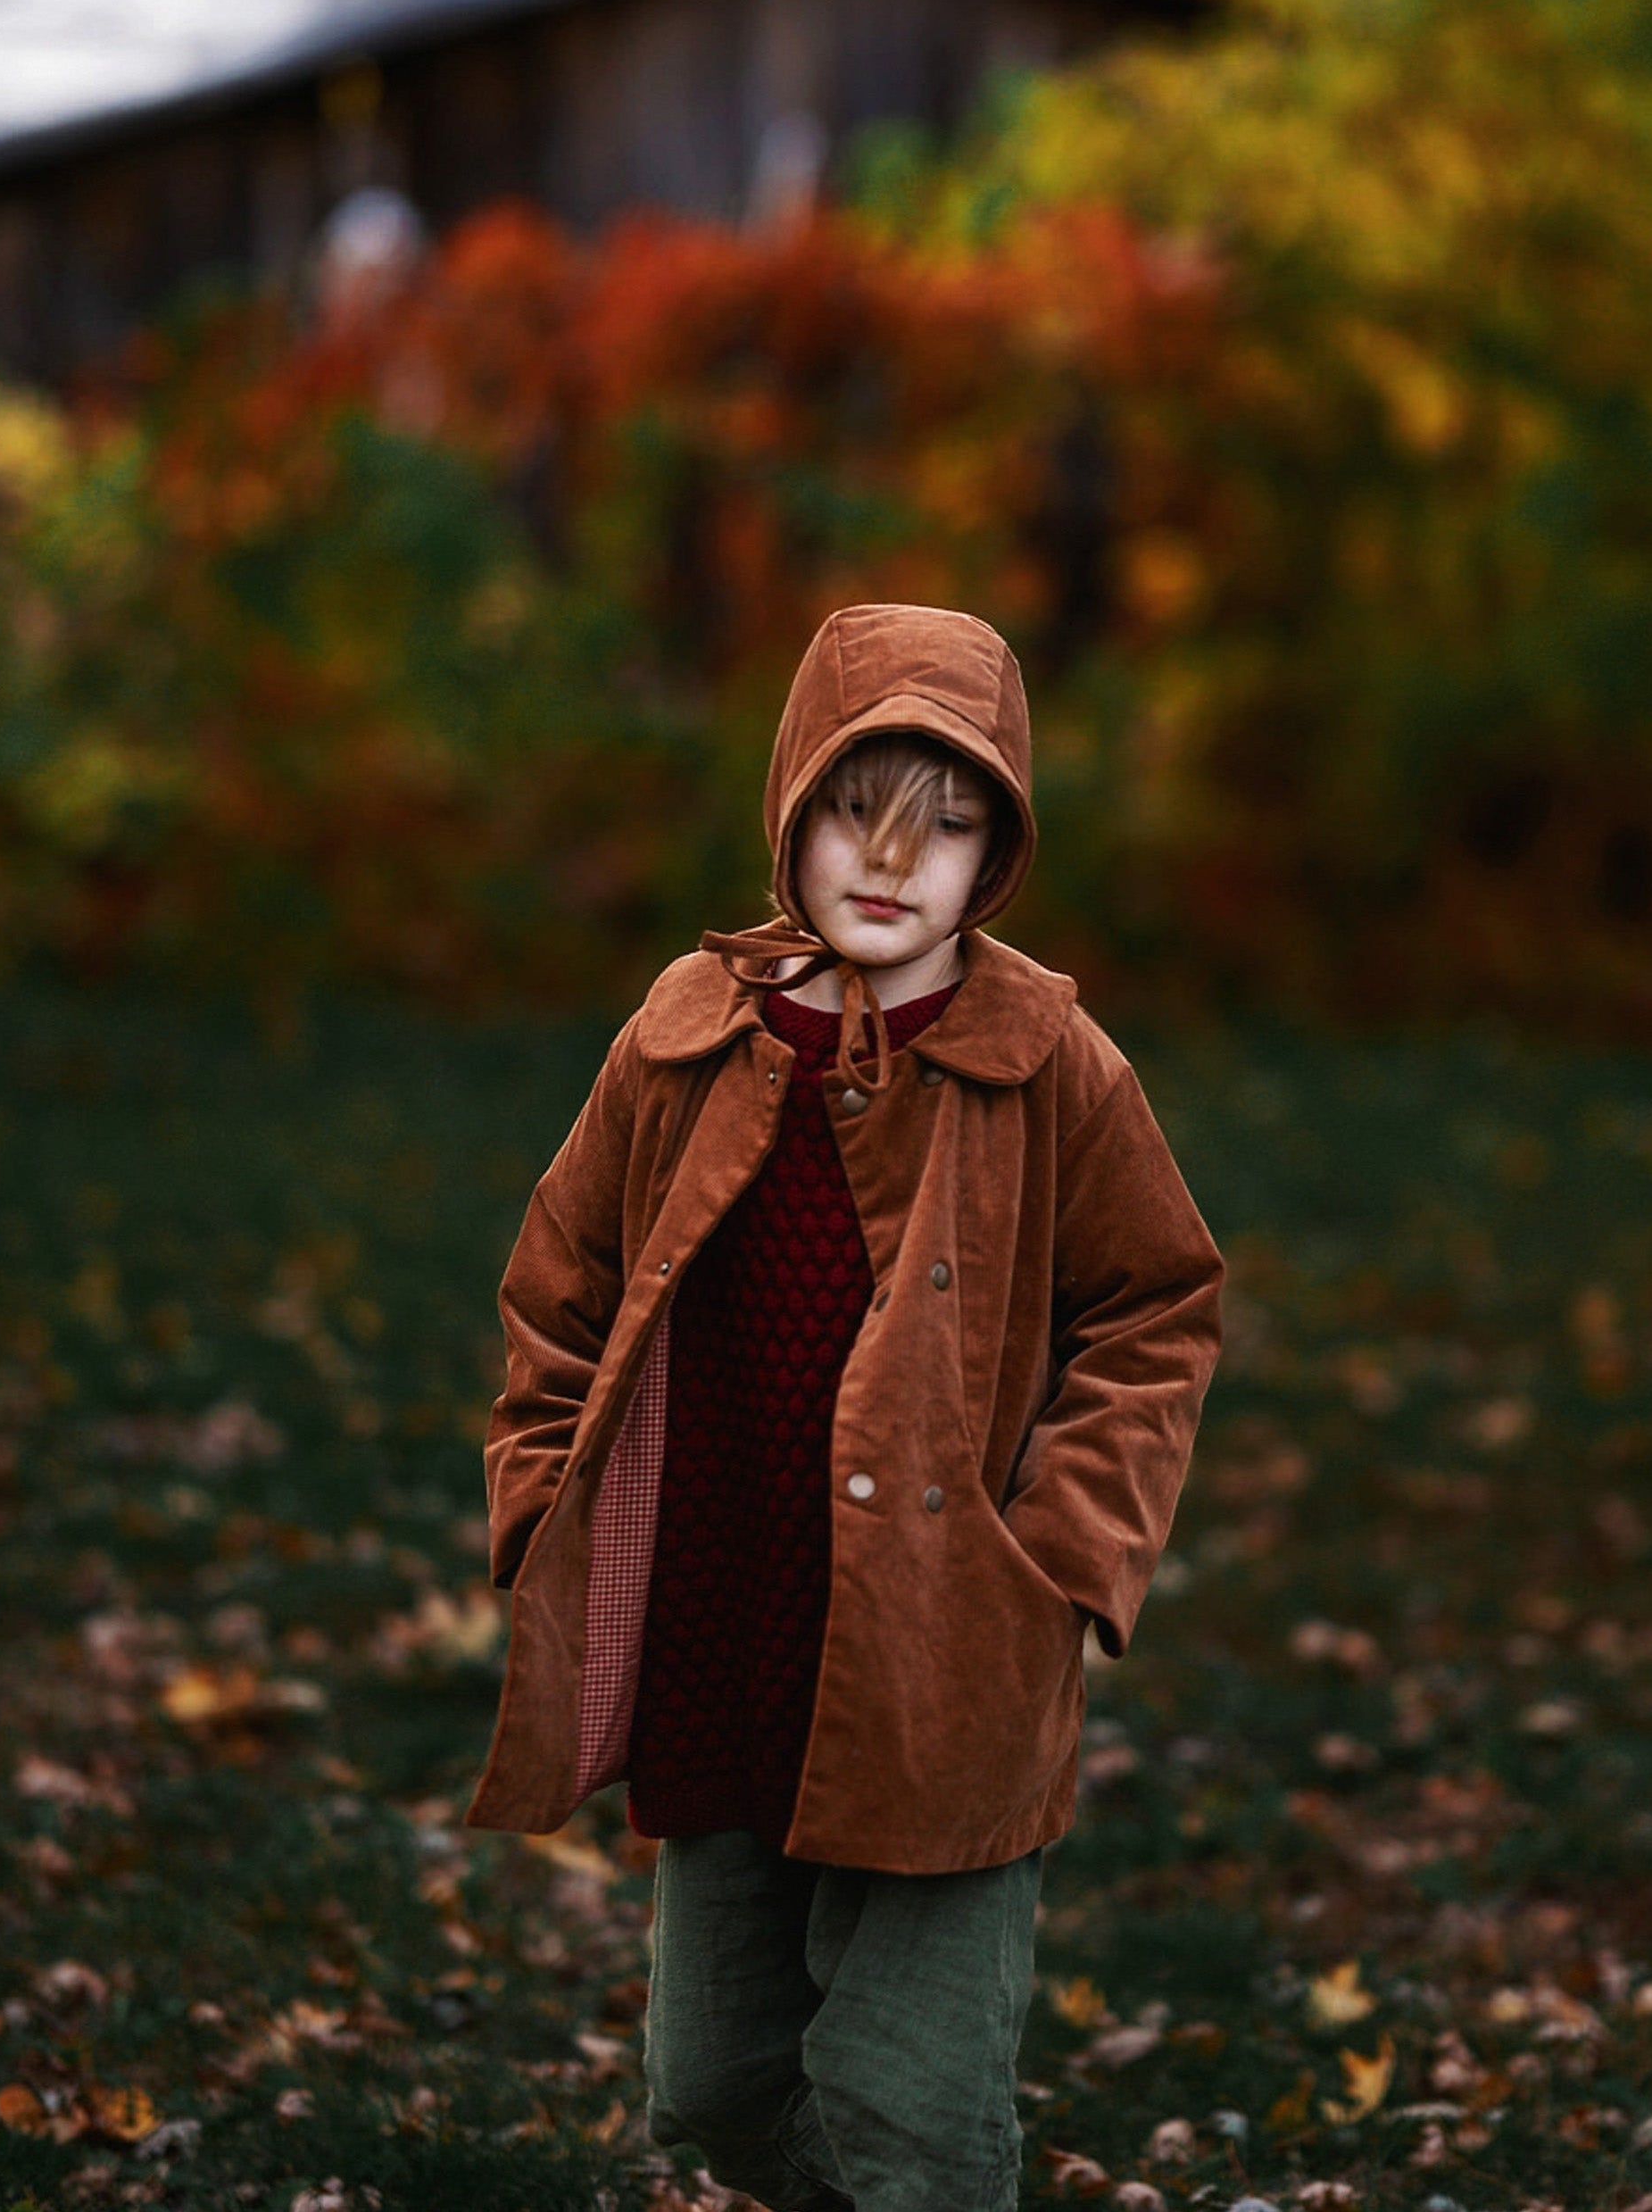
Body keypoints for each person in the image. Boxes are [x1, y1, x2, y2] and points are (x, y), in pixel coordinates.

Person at [465, 601, 1224, 2212]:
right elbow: (558, 1290)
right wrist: (544, 1504)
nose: (891, 864)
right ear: (789, 816)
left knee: (912, 2106)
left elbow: (1159, 1308)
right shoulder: (684, 1039)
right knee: (715, 2086)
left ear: (997, 847)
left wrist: (1066, 1554)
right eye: (851, 817)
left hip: (949, 1656)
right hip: (724, 1635)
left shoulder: (1053, 1063)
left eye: (944, 827)